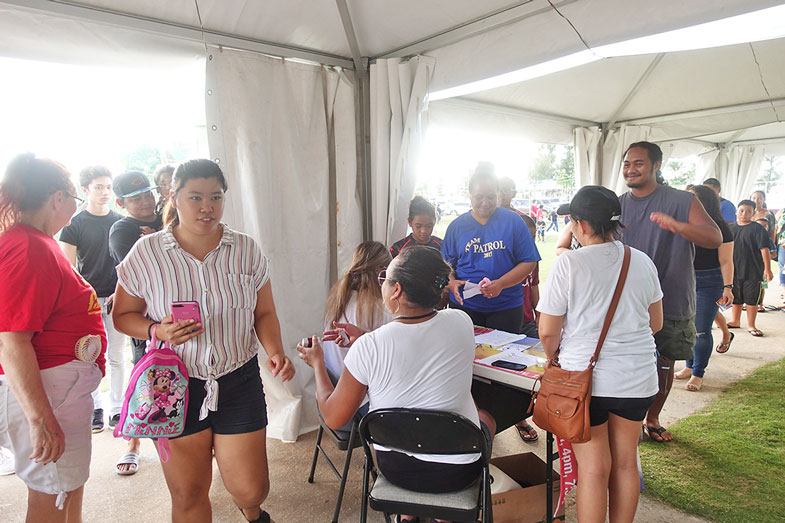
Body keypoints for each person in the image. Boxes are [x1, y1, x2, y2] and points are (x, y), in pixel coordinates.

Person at [112, 159, 295, 523]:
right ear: (173, 197)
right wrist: (157, 330)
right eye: (195, 197)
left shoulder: (245, 249)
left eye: (216, 197)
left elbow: (263, 313)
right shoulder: (147, 253)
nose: (206, 207)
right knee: (188, 494)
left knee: (251, 488)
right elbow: (122, 316)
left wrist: (275, 352)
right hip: (173, 386)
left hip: (237, 379)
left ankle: (252, 510)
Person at [297, 245, 496, 519]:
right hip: (457, 472)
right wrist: (365, 337)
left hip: (397, 470)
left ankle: (407, 514)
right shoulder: (461, 321)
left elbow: (333, 417)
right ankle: (445, 515)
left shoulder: (369, 347)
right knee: (485, 418)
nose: (382, 284)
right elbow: (417, 341)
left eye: (385, 279)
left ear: (396, 290)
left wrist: (318, 363)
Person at [537, 185, 663, 523]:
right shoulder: (642, 261)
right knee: (625, 463)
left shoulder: (569, 263)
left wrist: (552, 358)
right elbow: (656, 323)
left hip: (585, 382)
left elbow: (548, 330)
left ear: (580, 224)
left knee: (593, 468)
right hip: (637, 379)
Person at [0, 153, 106, 522]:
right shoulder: (30, 247)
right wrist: (40, 418)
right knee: (53, 493)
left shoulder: (35, 243)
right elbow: (12, 340)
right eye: (75, 198)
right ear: (58, 198)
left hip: (58, 387)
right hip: (50, 389)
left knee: (66, 487)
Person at [619, 141, 721, 443]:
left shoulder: (682, 200)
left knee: (664, 364)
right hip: (625, 305)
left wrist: (678, 227)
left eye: (638, 163)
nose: (631, 169)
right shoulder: (617, 203)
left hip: (672, 301)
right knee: (626, 367)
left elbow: (714, 237)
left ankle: (652, 418)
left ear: (656, 166)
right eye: (627, 164)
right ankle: (628, 421)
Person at [108, 170, 165, 475]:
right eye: (135, 198)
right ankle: (133, 444)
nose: (145, 201)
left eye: (148, 194)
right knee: (145, 380)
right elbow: (138, 275)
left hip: (177, 315)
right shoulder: (121, 229)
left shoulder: (170, 217)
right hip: (143, 320)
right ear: (121, 203)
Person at [59, 166, 123, 434]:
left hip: (119, 298)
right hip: (89, 302)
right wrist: (85, 299)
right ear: (85, 190)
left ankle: (118, 408)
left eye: (108, 187)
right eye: (99, 187)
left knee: (117, 356)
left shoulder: (120, 222)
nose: (105, 192)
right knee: (92, 357)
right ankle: (96, 408)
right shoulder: (74, 225)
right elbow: (69, 268)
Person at [441, 166, 540, 334]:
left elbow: (529, 261)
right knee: (466, 349)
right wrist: (451, 282)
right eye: (479, 197)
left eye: (491, 197)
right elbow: (445, 265)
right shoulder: (457, 227)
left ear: (498, 194)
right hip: (465, 306)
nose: (485, 202)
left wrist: (501, 284)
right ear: (470, 195)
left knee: (504, 350)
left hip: (506, 306)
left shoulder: (514, 221)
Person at [674, 185, 734, 391]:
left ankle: (698, 373)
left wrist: (728, 287)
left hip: (710, 281)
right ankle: (689, 366)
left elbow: (726, 261)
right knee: (687, 327)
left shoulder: (720, 227)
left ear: (704, 202)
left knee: (700, 330)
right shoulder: (685, 223)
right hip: (685, 279)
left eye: (693, 198)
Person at [322, 241, 392, 380]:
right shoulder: (382, 309)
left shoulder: (338, 299)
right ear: (380, 271)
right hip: (357, 389)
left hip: (332, 381)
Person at [727, 200, 773, 337]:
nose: (744, 214)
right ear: (736, 212)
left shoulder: (758, 229)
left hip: (753, 270)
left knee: (751, 299)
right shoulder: (730, 229)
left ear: (753, 214)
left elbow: (764, 249)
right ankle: (735, 320)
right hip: (734, 270)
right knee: (736, 297)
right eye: (741, 211)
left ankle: (751, 325)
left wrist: (767, 269)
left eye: (748, 211)